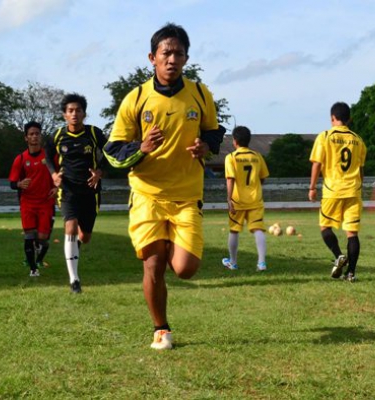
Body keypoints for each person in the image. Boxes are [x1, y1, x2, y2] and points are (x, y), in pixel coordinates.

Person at [104, 23, 225, 350]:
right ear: (152, 58)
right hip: (147, 195)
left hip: (187, 196)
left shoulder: (200, 94)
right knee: (153, 264)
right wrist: (141, 148)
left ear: (186, 58)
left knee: (185, 269)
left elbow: (214, 132)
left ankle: (171, 242)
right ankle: (161, 328)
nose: (172, 59)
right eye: (166, 53)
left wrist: (205, 147)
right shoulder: (137, 98)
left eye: (178, 54)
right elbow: (113, 151)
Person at [45, 93, 107, 294]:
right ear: (64, 115)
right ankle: (74, 280)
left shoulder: (95, 133)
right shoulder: (57, 136)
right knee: (70, 228)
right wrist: (54, 174)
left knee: (85, 236)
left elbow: (110, 153)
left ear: (84, 113)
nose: (74, 114)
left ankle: (75, 249)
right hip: (68, 190)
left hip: (90, 191)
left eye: (78, 110)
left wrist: (99, 172)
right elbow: (47, 155)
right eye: (70, 111)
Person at [308, 102, 367, 282]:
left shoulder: (325, 136)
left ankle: (338, 255)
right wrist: (358, 185)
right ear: (349, 119)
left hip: (332, 190)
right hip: (353, 190)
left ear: (333, 118)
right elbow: (361, 169)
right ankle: (351, 273)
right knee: (352, 233)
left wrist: (312, 187)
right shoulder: (358, 140)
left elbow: (317, 163)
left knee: (325, 227)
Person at [9, 121, 57, 277]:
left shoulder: (49, 156)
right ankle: (33, 269)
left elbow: (61, 174)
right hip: (28, 203)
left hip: (46, 202)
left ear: (40, 136)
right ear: (26, 138)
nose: (34, 136)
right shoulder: (21, 159)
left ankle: (40, 256)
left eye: (37, 133)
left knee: (43, 237)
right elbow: (12, 183)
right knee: (29, 236)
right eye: (31, 134)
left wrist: (57, 188)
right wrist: (19, 184)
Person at [222, 126, 270, 271]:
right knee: (258, 229)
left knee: (234, 230)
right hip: (255, 200)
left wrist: (229, 199)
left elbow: (230, 179)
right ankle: (261, 263)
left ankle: (233, 262)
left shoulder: (231, 157)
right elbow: (262, 178)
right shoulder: (257, 156)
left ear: (234, 141)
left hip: (237, 201)